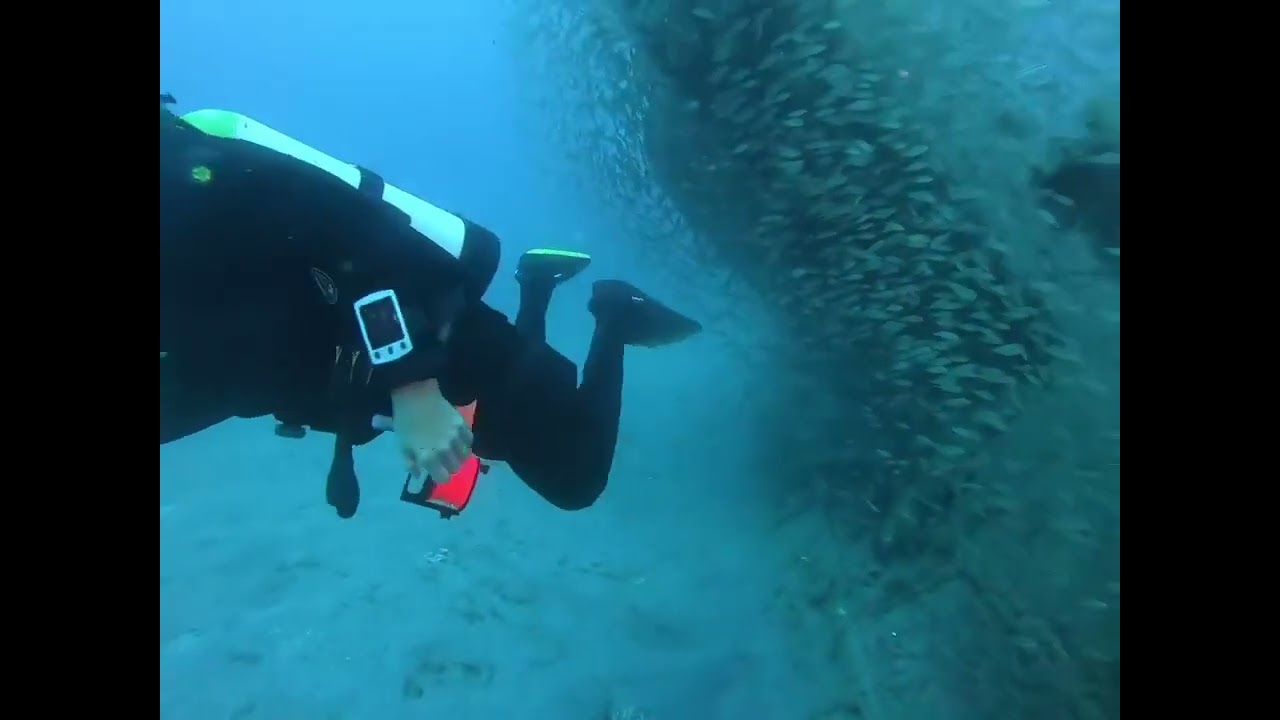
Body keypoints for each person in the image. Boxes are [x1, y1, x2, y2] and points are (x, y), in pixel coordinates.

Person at [159, 95, 702, 515]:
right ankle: (537, 283)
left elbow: (366, 236)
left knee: (575, 477)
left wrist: (411, 385)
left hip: (429, 334)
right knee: (506, 434)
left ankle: (614, 314)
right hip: (370, 386)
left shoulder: (185, 178)